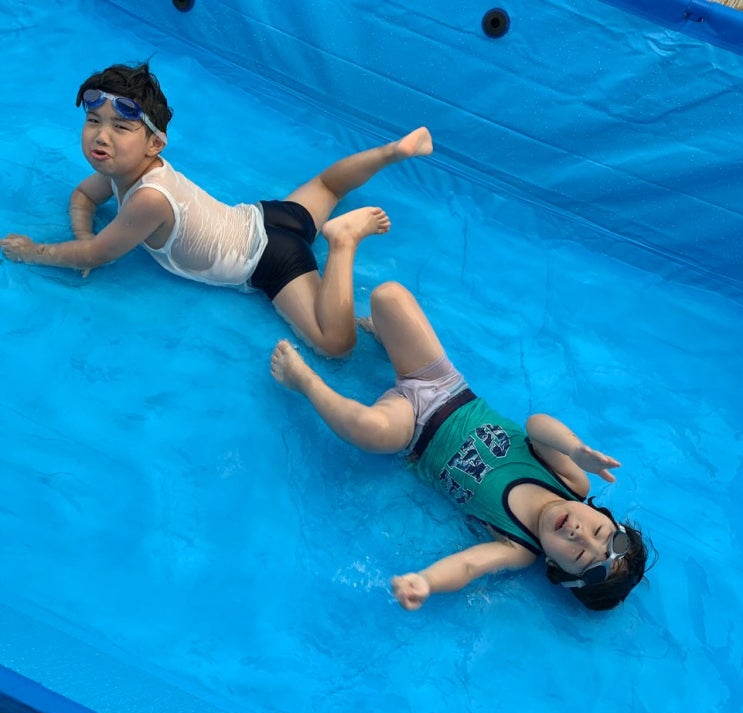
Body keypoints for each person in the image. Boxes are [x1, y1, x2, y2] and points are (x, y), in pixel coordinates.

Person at [0, 62, 432, 357]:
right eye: (93, 121)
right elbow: (83, 197)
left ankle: (343, 243)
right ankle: (393, 151)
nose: (101, 136)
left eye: (121, 127)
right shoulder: (122, 170)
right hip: (262, 217)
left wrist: (34, 251)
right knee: (327, 186)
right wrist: (82, 233)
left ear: (154, 144)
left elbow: (99, 254)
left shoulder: (148, 199)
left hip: (269, 260)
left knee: (334, 344)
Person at [270, 281, 650, 611]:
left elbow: (468, 565)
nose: (578, 533)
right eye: (597, 532)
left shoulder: (518, 548)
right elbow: (536, 426)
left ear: (554, 568)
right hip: (445, 386)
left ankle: (303, 381)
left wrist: (426, 582)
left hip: (413, 433)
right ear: (602, 515)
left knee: (368, 429)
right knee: (388, 296)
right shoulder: (572, 483)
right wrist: (574, 449)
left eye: (579, 554)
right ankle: (388, 341)